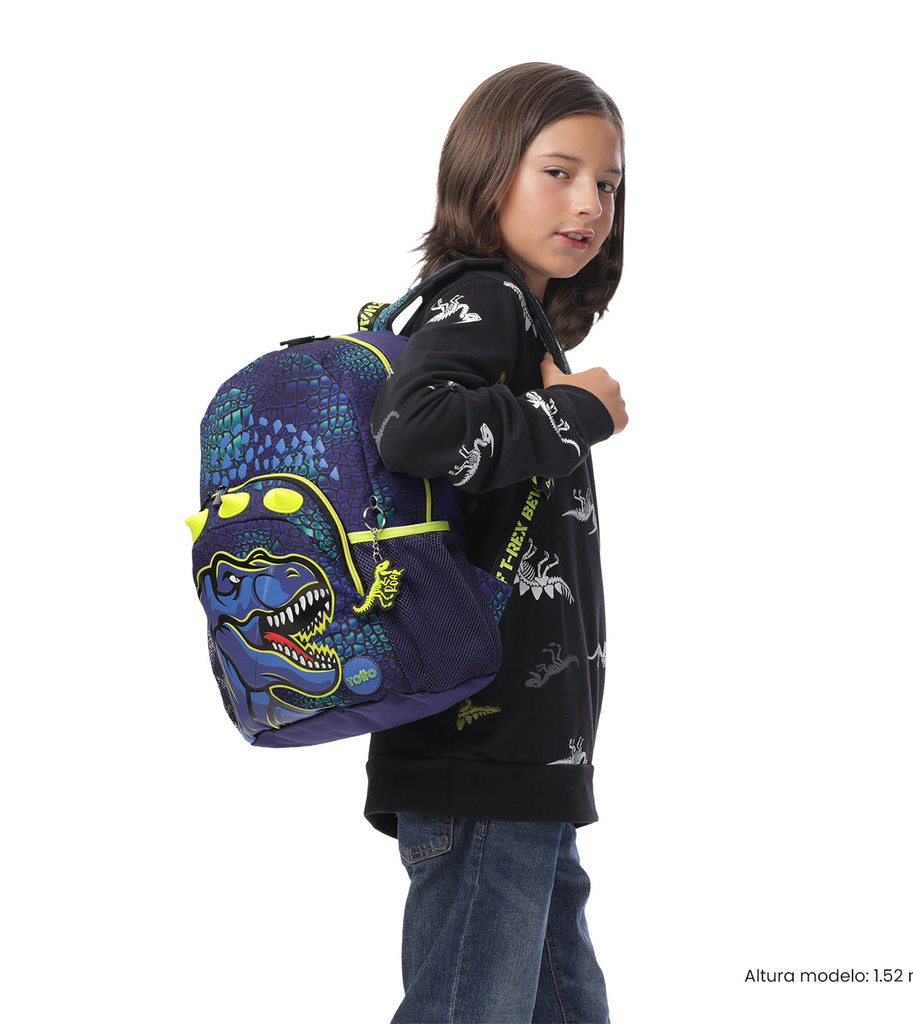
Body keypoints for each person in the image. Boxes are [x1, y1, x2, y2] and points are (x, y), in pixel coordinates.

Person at [365, 63, 627, 1024]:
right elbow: (414, 430)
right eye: (559, 172)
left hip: (524, 763)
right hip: (482, 758)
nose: (589, 203)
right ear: (488, 173)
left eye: (607, 183)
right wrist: (578, 413)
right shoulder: (480, 296)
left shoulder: (518, 321)